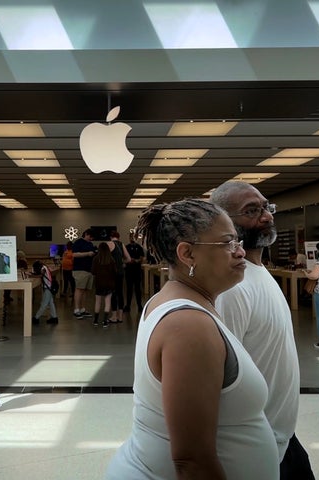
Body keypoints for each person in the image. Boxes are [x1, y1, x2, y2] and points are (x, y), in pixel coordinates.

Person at [107, 198, 278, 479]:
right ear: (187, 254)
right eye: (227, 243)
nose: (240, 252)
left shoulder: (183, 303)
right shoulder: (188, 325)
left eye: (237, 241)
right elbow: (192, 461)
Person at [210, 181, 315, 479]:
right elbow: (218, 378)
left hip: (282, 436)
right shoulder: (232, 288)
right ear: (223, 221)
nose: (266, 216)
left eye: (266, 207)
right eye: (251, 211)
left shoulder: (257, 270)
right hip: (255, 446)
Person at [106, 231, 130, 323]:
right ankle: (120, 317)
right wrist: (122, 263)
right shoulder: (121, 244)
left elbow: (105, 258)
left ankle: (114, 316)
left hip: (112, 273)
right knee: (120, 293)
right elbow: (129, 259)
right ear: (118, 237)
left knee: (113, 293)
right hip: (120, 272)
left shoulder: (109, 244)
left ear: (110, 237)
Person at [72, 229, 96, 319]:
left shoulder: (90, 244)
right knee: (79, 289)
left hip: (89, 270)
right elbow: (74, 254)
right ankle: (76, 309)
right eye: (90, 237)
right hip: (80, 269)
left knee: (85, 290)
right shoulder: (78, 242)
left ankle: (83, 309)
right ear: (86, 234)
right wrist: (87, 254)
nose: (91, 239)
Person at [91, 241, 117, 327]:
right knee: (107, 302)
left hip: (99, 283)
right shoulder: (111, 259)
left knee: (98, 302)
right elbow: (115, 272)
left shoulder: (96, 259)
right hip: (109, 283)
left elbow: (93, 272)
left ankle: (95, 320)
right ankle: (105, 321)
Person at [32, 260, 59, 325]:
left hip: (48, 288)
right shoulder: (45, 267)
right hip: (50, 287)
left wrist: (31, 275)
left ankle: (36, 318)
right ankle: (54, 317)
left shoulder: (43, 268)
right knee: (51, 303)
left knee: (44, 304)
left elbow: (40, 275)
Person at [124, 231, 145, 313]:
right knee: (129, 289)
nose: (132, 239)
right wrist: (129, 260)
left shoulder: (139, 247)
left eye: (134, 237)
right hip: (129, 270)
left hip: (137, 270)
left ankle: (139, 306)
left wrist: (137, 260)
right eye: (131, 237)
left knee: (137, 289)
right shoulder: (126, 247)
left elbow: (142, 257)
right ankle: (128, 306)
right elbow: (124, 258)